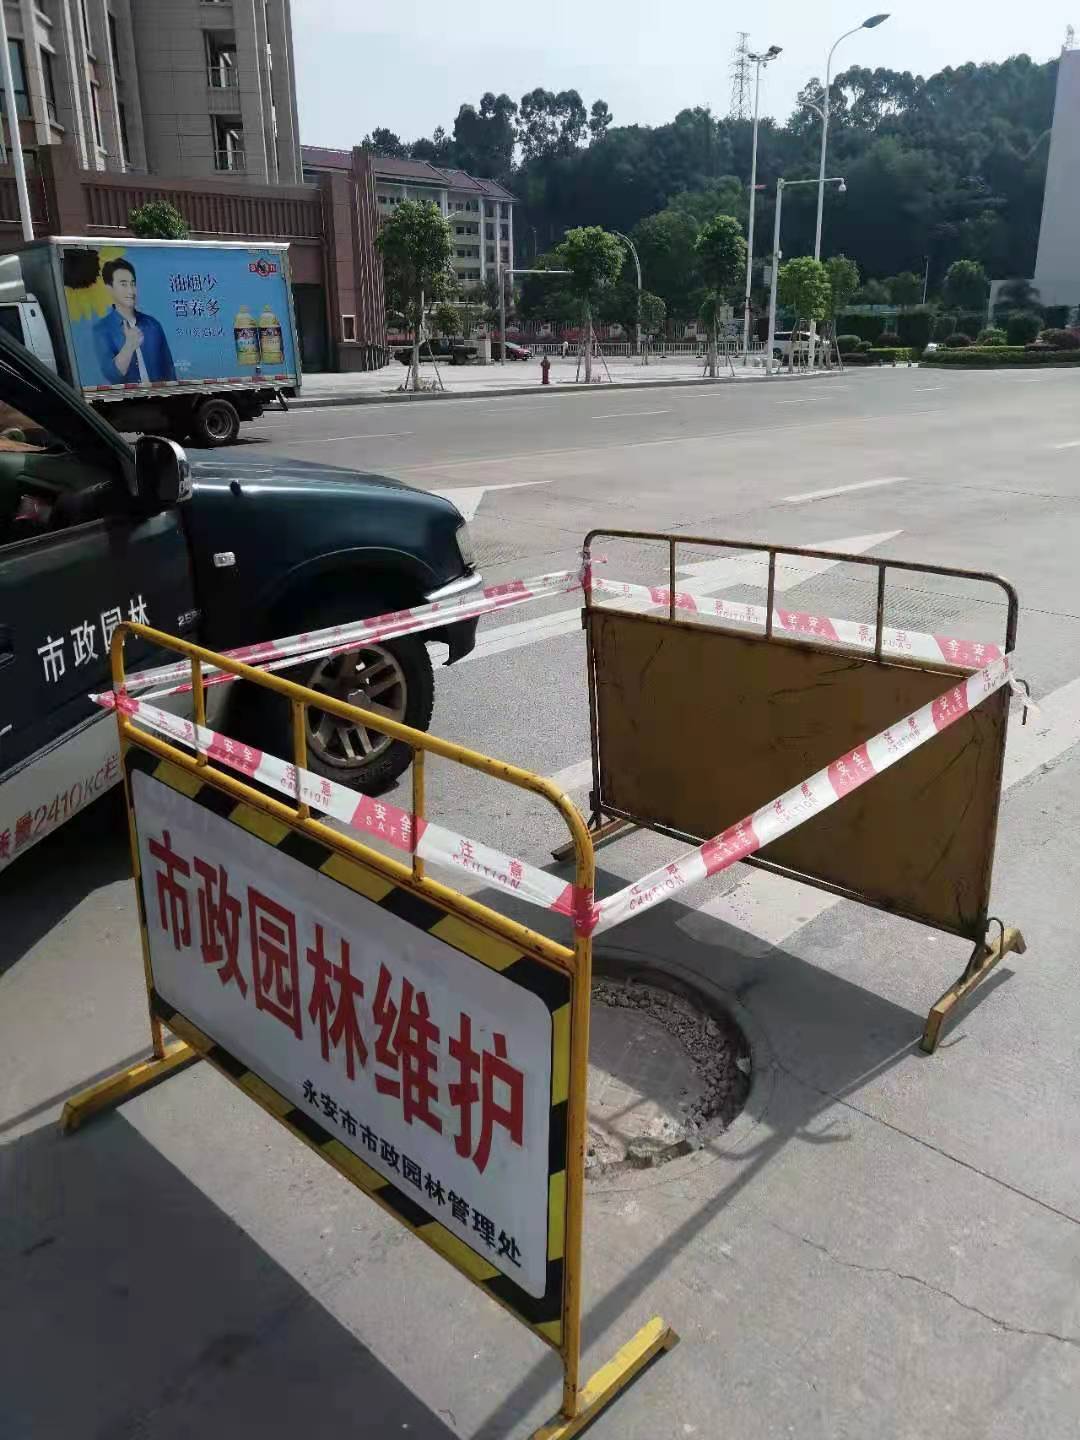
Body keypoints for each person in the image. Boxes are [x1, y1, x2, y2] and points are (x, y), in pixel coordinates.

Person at [92, 258, 176, 384]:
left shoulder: (153, 325)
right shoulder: (101, 330)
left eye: (133, 284)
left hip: (159, 394)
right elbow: (112, 376)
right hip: (125, 395)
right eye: (123, 284)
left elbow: (169, 370)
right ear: (110, 289)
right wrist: (129, 345)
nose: (131, 291)